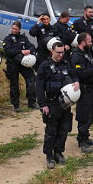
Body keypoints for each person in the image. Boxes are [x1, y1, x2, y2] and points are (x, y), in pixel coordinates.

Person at [36, 41, 74, 169]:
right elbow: (39, 87)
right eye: (58, 52)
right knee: (51, 130)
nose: (60, 55)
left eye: (62, 52)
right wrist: (43, 105)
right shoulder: (45, 66)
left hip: (65, 103)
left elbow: (74, 76)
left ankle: (59, 152)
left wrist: (77, 83)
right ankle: (49, 155)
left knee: (64, 129)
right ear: (52, 51)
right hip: (52, 103)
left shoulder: (66, 64)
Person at [69, 32, 93, 153]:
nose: (91, 43)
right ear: (83, 42)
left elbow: (92, 60)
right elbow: (80, 74)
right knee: (84, 115)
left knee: (90, 113)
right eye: (89, 41)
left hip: (91, 87)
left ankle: (85, 136)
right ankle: (82, 141)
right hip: (83, 89)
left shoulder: (88, 51)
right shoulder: (76, 56)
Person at [1, 21, 38, 112]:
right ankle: (16, 105)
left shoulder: (23, 38)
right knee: (14, 85)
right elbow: (8, 51)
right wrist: (20, 51)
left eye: (16, 29)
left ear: (19, 29)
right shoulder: (7, 39)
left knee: (31, 81)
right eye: (13, 28)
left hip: (24, 64)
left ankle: (32, 102)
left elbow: (32, 46)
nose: (14, 30)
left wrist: (29, 51)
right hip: (13, 64)